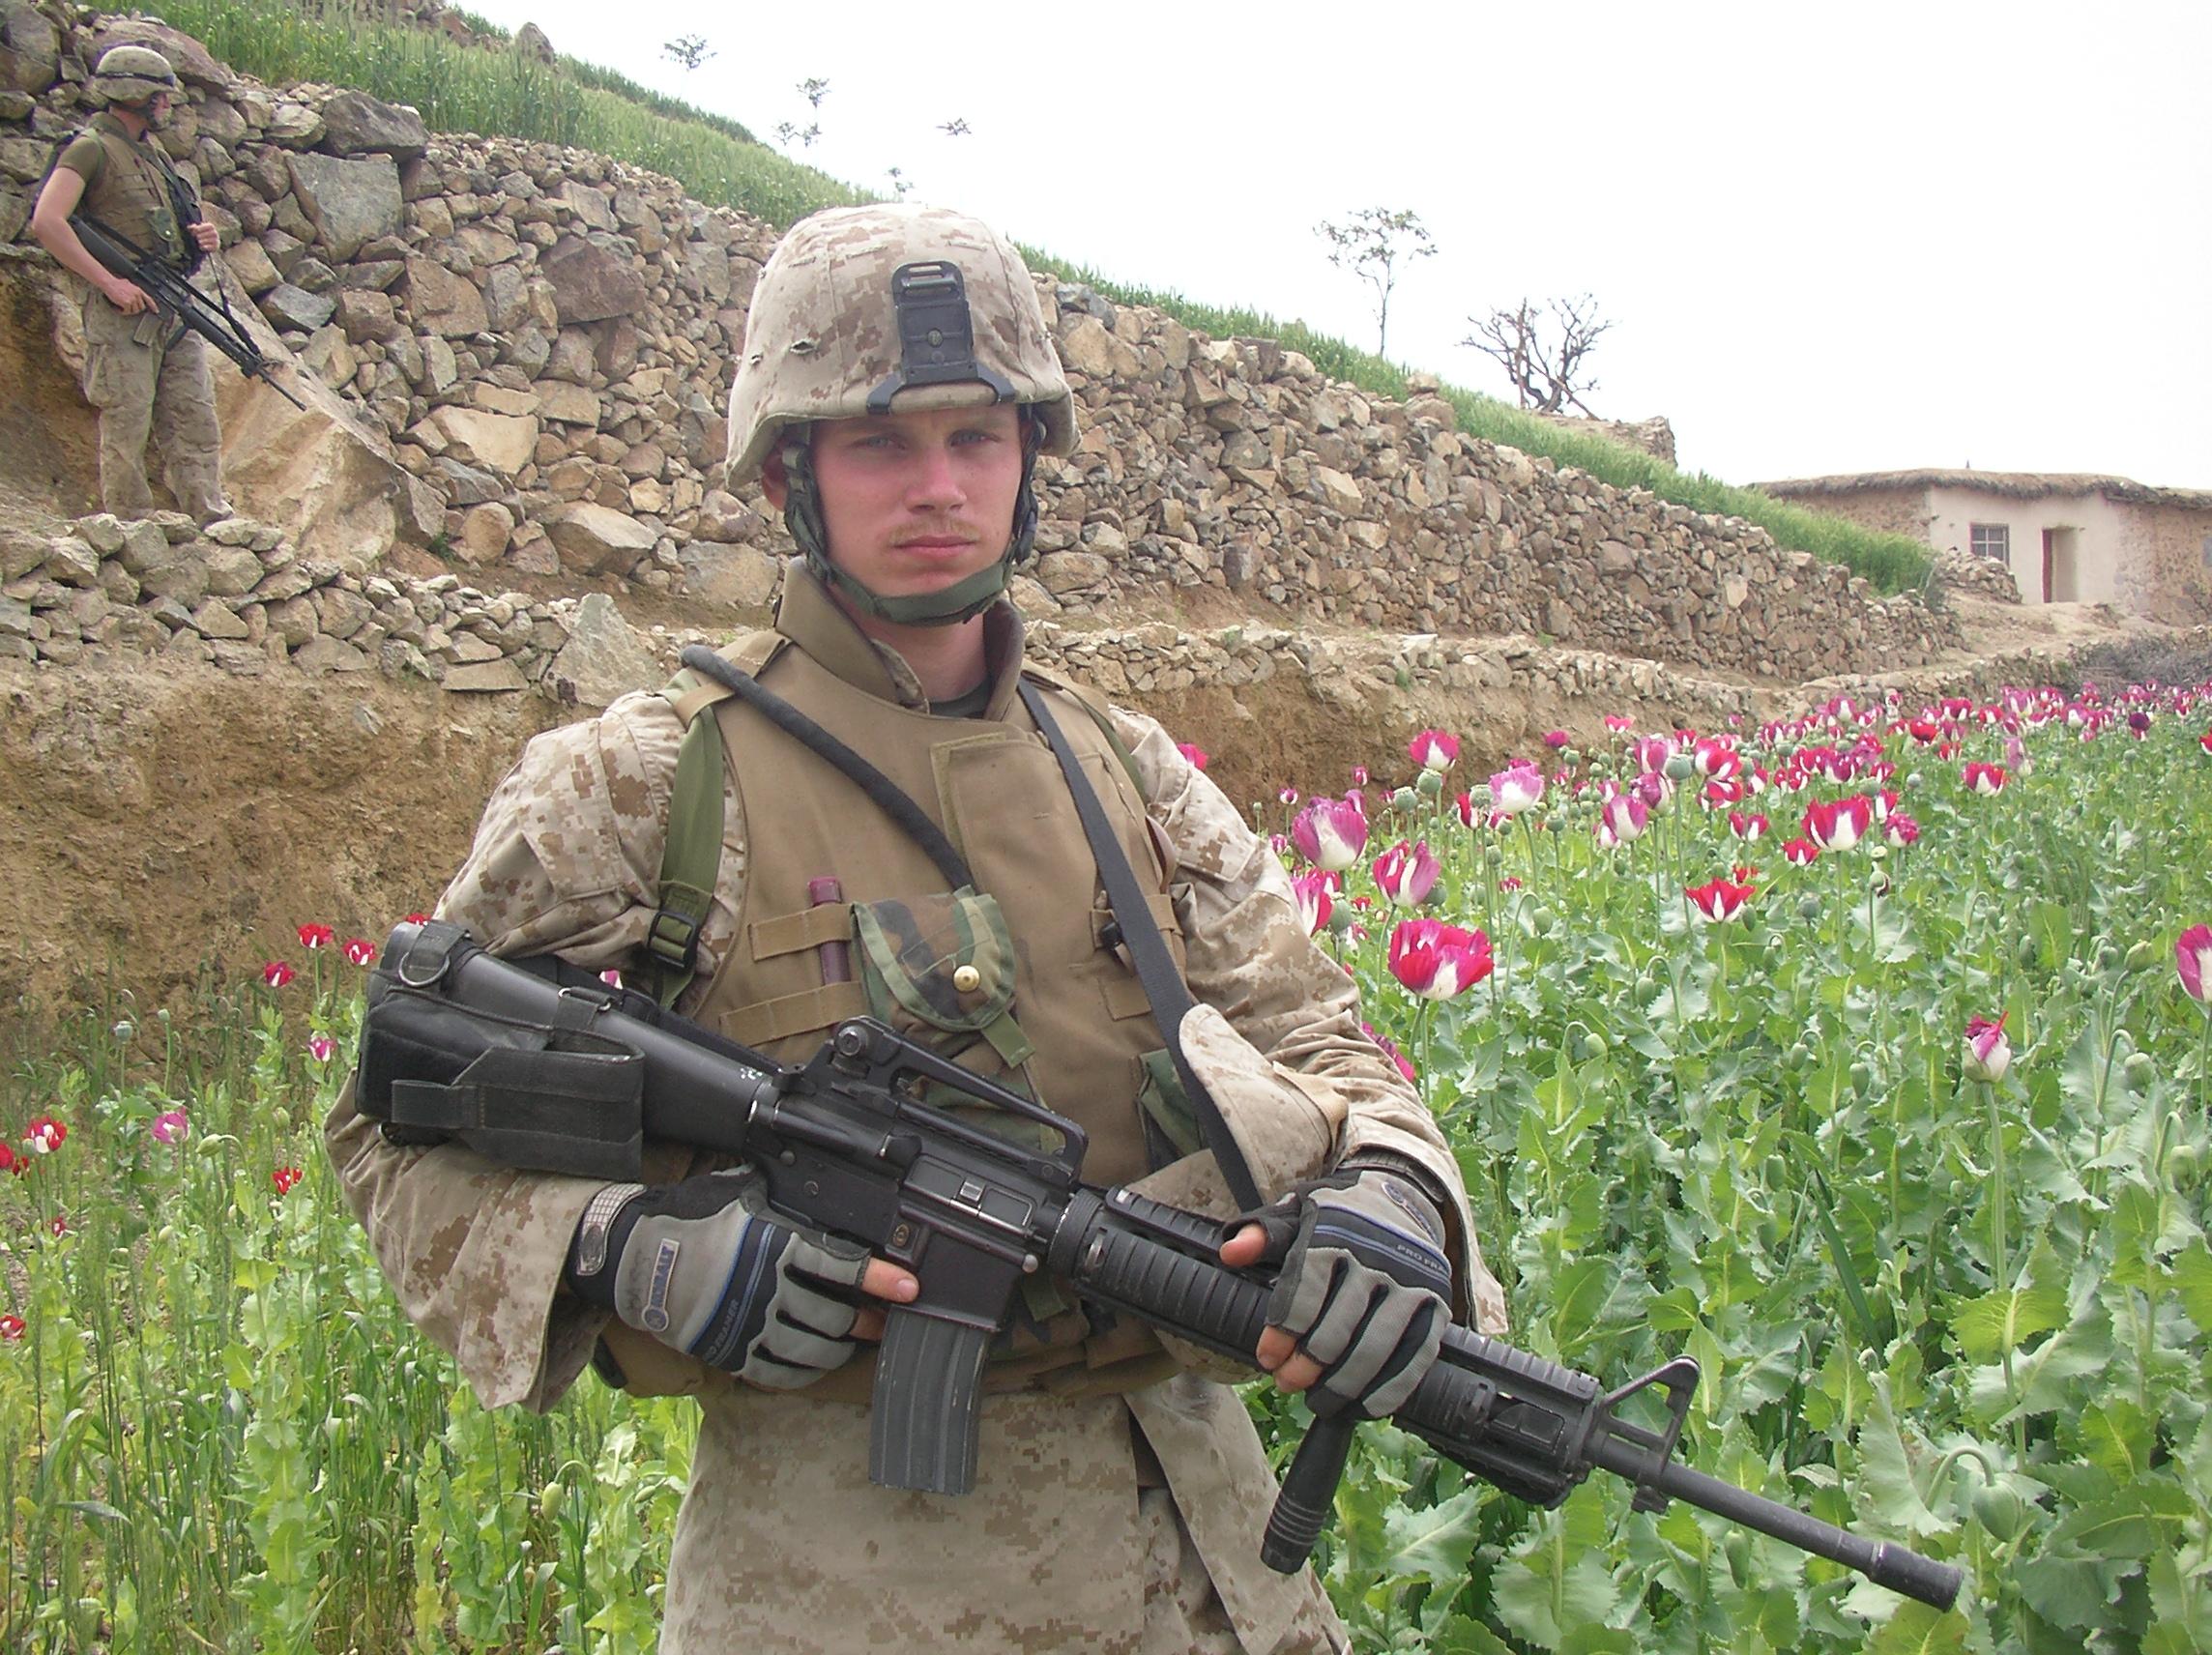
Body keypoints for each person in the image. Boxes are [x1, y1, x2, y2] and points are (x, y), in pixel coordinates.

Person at [327, 203, 1506, 1654]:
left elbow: (1324, 1031)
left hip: (1214, 1572)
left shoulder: (1124, 766)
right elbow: (395, 1130)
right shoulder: (640, 785)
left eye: (977, 439)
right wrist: (626, 1250)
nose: (937, 485)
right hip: (842, 1588)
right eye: (880, 443)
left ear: (1030, 467)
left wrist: (1395, 1202)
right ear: (788, 475)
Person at [29, 44, 230, 524]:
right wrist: (110, 282)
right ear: (136, 94)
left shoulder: (153, 154)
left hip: (170, 306)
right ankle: (130, 528)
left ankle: (212, 520)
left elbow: (162, 225)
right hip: (123, 313)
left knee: (193, 418)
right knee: (127, 420)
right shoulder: (90, 148)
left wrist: (201, 235)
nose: (167, 106)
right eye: (161, 97)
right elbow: (47, 222)